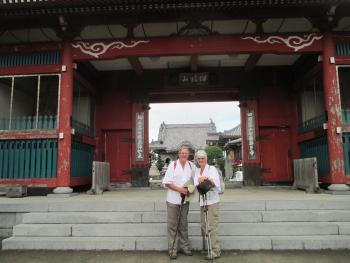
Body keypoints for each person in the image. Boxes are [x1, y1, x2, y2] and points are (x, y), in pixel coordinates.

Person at [162, 146, 195, 259]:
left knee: (183, 225)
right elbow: (167, 183)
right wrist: (181, 190)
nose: (184, 155)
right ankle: (172, 250)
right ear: (178, 154)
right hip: (172, 200)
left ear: (188, 154)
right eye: (182, 153)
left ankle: (184, 247)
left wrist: (190, 190)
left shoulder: (191, 166)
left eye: (186, 153)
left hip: (185, 200)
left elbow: (194, 181)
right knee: (172, 225)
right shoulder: (173, 165)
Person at [194, 150, 221, 260]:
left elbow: (216, 184)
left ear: (206, 159)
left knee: (212, 226)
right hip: (203, 201)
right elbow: (196, 185)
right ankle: (209, 247)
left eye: (203, 158)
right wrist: (199, 181)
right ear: (196, 160)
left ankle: (215, 251)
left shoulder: (212, 169)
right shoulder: (197, 170)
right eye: (199, 158)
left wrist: (206, 179)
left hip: (212, 201)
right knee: (204, 226)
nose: (201, 160)